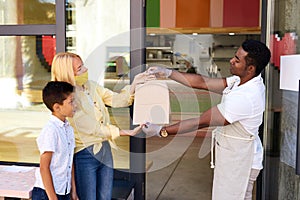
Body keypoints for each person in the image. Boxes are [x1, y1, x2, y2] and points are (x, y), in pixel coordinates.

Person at [143, 40, 271, 200]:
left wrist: (162, 131)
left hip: (241, 162)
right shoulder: (240, 81)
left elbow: (202, 121)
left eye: (237, 60)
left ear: (250, 68)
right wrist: (169, 73)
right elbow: (204, 83)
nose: (232, 60)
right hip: (233, 156)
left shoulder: (246, 97)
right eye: (234, 56)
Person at [51, 52, 152, 200]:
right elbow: (93, 128)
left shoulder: (90, 86)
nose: (85, 70)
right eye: (79, 69)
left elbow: (117, 100)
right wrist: (125, 132)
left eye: (83, 65)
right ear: (68, 73)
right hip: (85, 154)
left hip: (105, 148)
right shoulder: (67, 100)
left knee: (105, 196)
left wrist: (135, 84)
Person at [32, 81, 78, 200]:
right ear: (57, 107)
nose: (75, 105)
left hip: (64, 191)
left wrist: (73, 191)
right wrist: (53, 198)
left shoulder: (69, 129)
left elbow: (69, 162)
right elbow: (44, 168)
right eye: (71, 102)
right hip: (47, 193)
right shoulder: (51, 131)